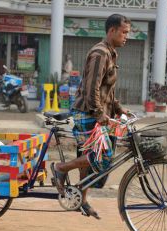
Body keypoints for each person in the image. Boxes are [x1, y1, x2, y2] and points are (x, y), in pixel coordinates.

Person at [51, 14, 131, 219]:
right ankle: (61, 168)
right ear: (111, 31)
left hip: (96, 112)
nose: (126, 37)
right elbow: (91, 87)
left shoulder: (111, 53)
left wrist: (119, 108)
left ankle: (82, 199)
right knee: (98, 157)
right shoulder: (99, 53)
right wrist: (98, 113)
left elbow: (107, 89)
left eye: (127, 33)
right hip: (86, 112)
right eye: (124, 32)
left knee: (94, 159)